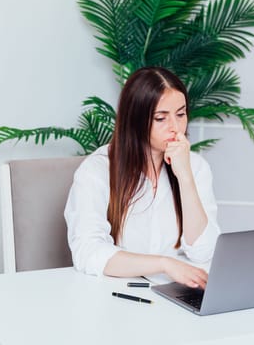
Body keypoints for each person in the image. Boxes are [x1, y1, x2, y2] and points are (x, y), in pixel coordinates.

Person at [64, 67, 219, 289]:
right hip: (117, 293)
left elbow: (204, 251)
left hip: (176, 294)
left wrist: (185, 178)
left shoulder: (195, 167)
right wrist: (165, 264)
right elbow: (88, 252)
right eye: (160, 118)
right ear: (135, 120)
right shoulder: (97, 170)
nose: (176, 128)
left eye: (181, 114)